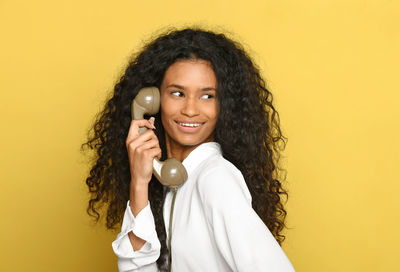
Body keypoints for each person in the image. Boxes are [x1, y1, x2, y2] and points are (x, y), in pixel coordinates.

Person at [82, 27, 295, 272]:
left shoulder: (215, 179)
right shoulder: (173, 183)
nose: (191, 110)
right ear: (153, 98)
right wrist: (139, 183)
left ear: (225, 105)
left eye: (207, 96)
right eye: (177, 93)